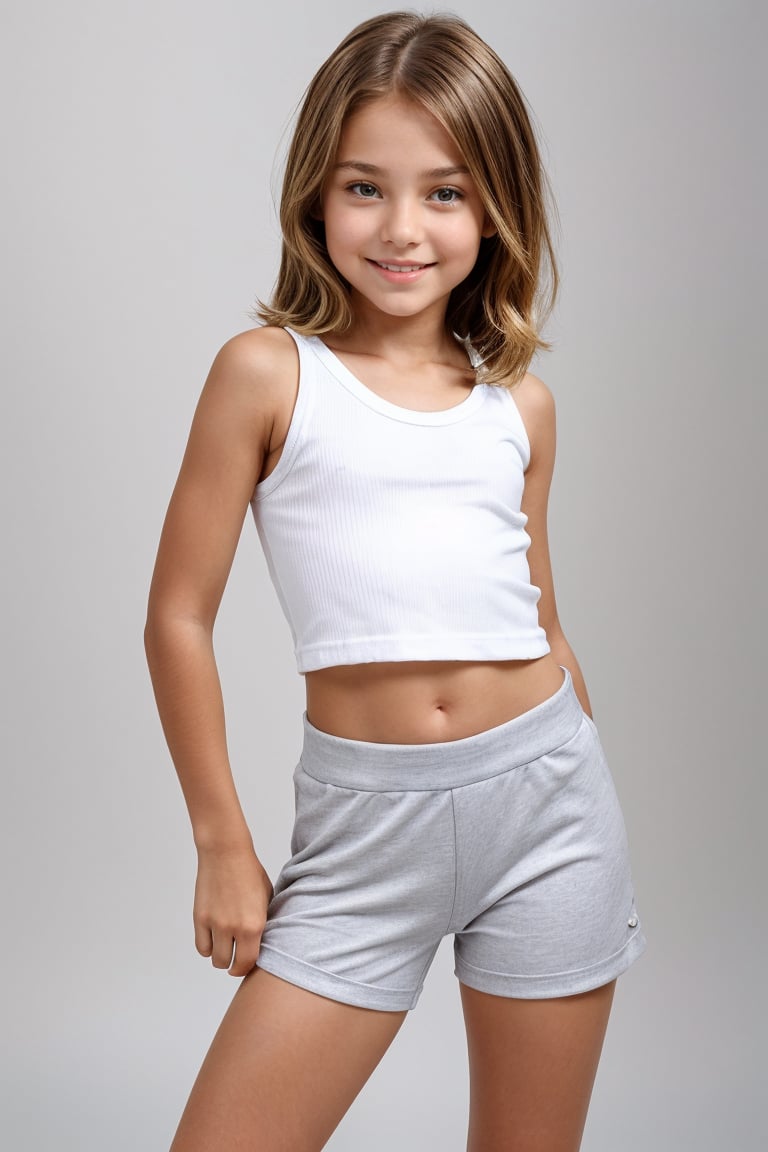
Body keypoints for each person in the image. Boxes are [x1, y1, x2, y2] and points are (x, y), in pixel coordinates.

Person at [144, 11, 647, 1150]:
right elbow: (178, 615)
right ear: (316, 197)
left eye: (447, 193)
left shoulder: (520, 405)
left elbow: (543, 620)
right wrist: (222, 840)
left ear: (495, 209)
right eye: (366, 187)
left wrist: (573, 771)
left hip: (551, 810)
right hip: (366, 830)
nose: (403, 229)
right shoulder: (268, 375)